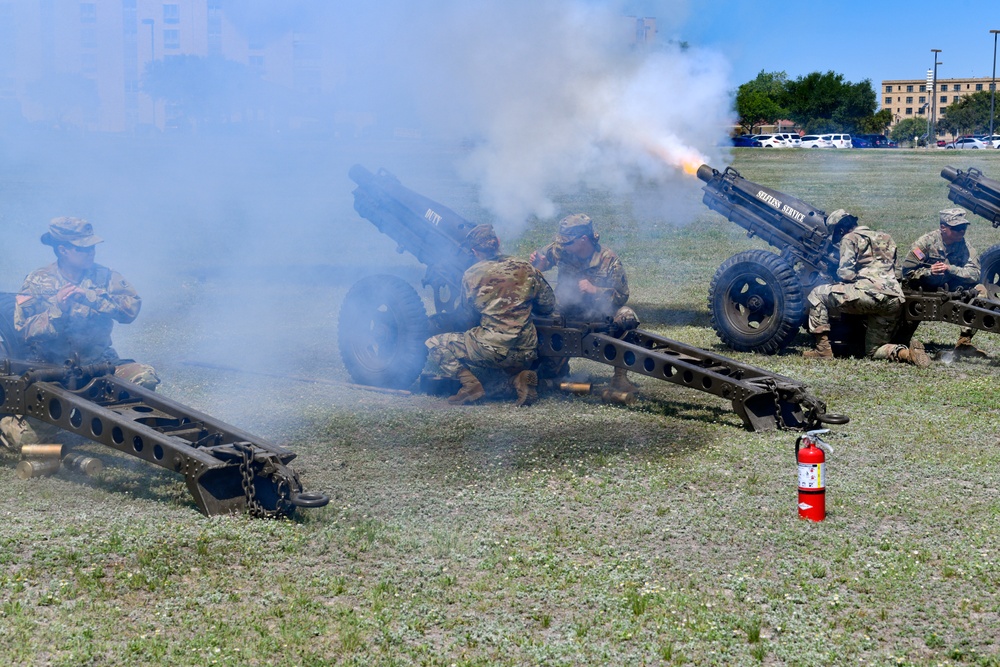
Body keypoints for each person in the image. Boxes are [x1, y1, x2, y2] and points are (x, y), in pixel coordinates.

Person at [0, 217, 159, 451]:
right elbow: (25, 330)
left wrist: (92, 297)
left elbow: (130, 311)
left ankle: (103, 417)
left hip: (101, 366)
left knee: (143, 377)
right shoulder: (37, 280)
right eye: (83, 248)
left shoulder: (106, 277)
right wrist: (57, 310)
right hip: (53, 373)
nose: (90, 253)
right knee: (23, 440)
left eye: (92, 247)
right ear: (63, 250)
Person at [426, 224, 555, 407]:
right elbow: (548, 305)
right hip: (527, 350)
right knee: (494, 379)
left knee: (435, 343)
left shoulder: (471, 275)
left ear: (474, 251)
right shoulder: (526, 267)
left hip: (492, 349)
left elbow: (467, 317)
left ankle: (470, 386)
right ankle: (518, 381)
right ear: (498, 242)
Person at [803, 209, 930, 367]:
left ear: (841, 229)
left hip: (868, 295)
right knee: (874, 351)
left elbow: (845, 272)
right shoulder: (887, 237)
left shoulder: (849, 238)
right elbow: (898, 273)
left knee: (817, 294)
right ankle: (908, 355)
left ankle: (822, 350)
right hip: (893, 299)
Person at [529, 214, 638, 391]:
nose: (562, 246)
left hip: (598, 312)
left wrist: (596, 291)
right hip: (565, 310)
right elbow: (544, 259)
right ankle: (553, 368)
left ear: (583, 239)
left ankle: (620, 378)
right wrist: (539, 265)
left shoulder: (609, 259)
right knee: (540, 316)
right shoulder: (561, 249)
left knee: (626, 316)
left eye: (567, 242)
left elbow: (621, 295)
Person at [900, 207, 988, 357]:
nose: (961, 232)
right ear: (943, 227)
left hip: (951, 289)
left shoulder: (965, 246)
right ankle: (900, 345)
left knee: (980, 292)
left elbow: (975, 273)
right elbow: (906, 272)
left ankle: (964, 343)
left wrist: (950, 269)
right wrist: (929, 272)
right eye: (957, 228)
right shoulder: (925, 243)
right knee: (901, 338)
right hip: (922, 290)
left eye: (963, 228)